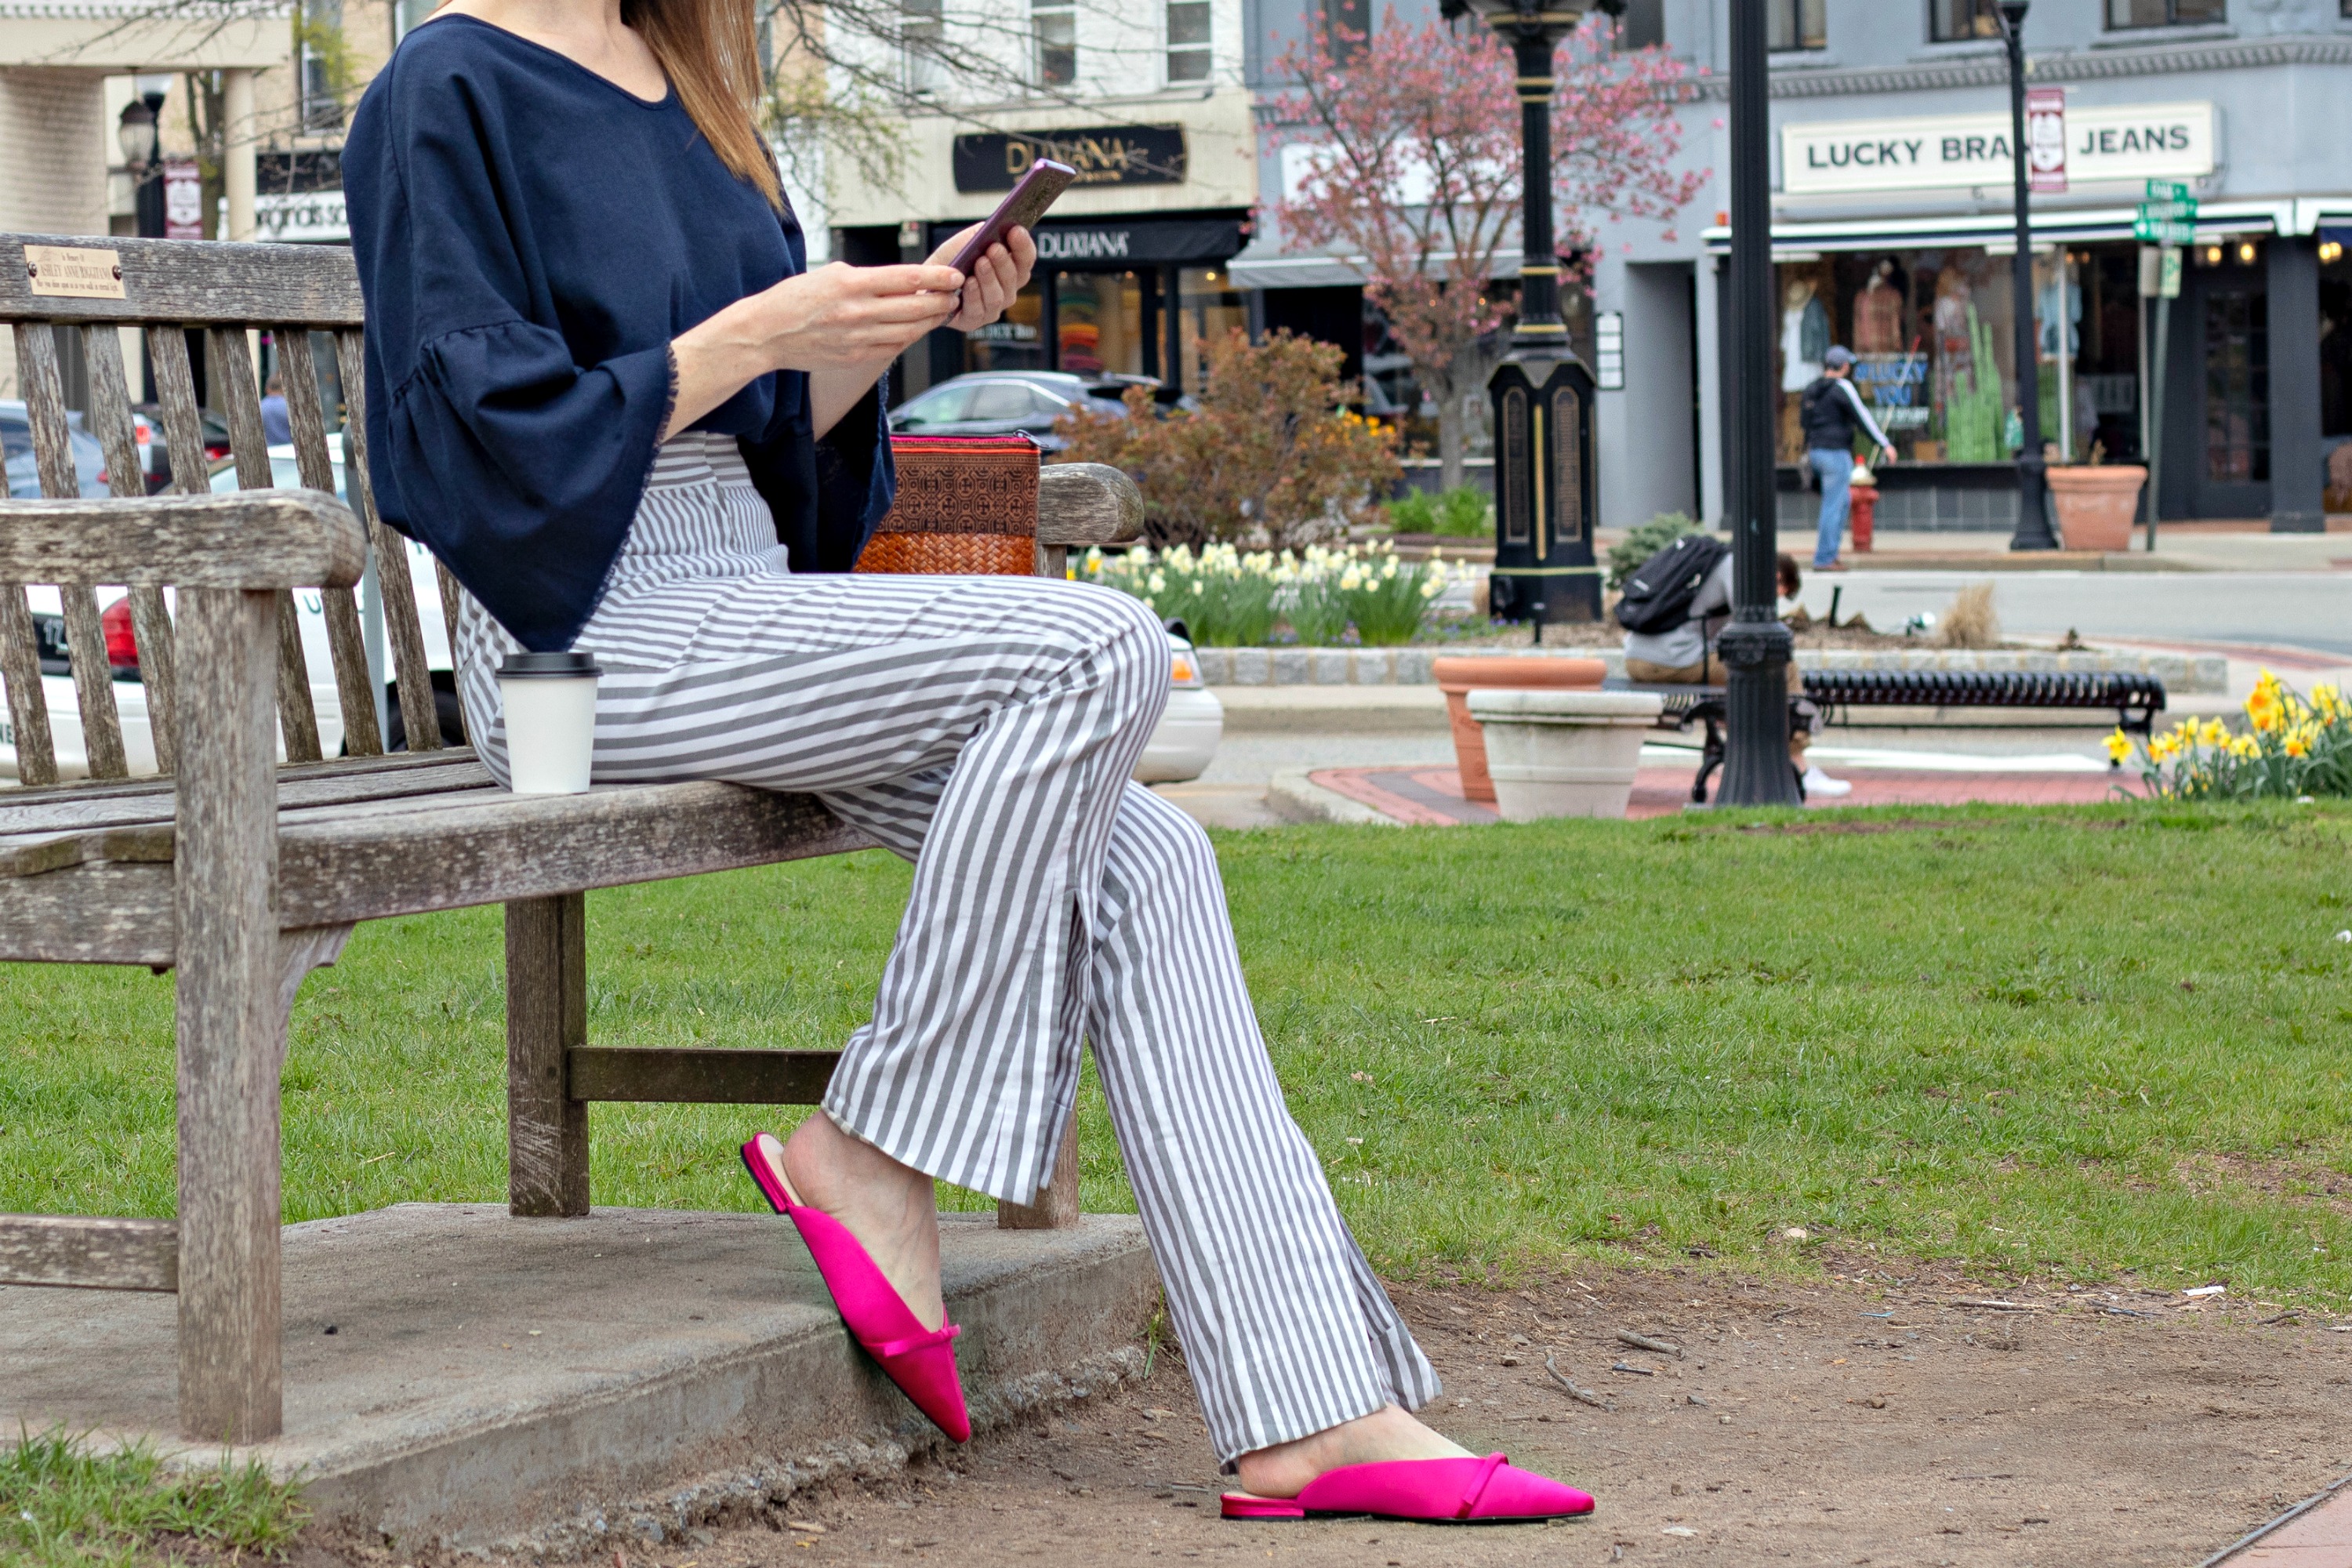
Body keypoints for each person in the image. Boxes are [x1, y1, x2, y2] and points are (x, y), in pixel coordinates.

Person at [342, 0, 1592, 1527]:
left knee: (1153, 855)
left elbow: (783, 441)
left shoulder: (694, 91)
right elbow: (483, 447)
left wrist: (894, 331)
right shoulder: (442, 86)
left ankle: (1309, 1403)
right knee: (1098, 647)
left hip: (749, 603)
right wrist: (764, 329)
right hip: (585, 643)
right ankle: (872, 1149)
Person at [1622, 548, 1849, 798]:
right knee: (1781, 665)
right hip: (1673, 661)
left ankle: (1738, 756)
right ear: (1776, 578)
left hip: (1636, 658)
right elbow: (1747, 634)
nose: (1773, 602)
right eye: (1777, 596)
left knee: (1744, 671)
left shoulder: (1716, 562)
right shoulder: (1739, 573)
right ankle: (1798, 766)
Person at [1800, 346, 1896, 572]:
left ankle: (1830, 554)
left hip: (1815, 452)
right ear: (1844, 367)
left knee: (1839, 503)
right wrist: (1884, 445)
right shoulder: (1843, 388)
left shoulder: (1811, 389)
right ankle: (1824, 558)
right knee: (1834, 506)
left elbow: (1804, 422)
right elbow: (1862, 418)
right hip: (1836, 454)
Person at [259, 373, 292, 446]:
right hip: (289, 451)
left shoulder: (260, 407)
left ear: (267, 389)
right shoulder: (290, 407)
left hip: (268, 451)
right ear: (283, 389)